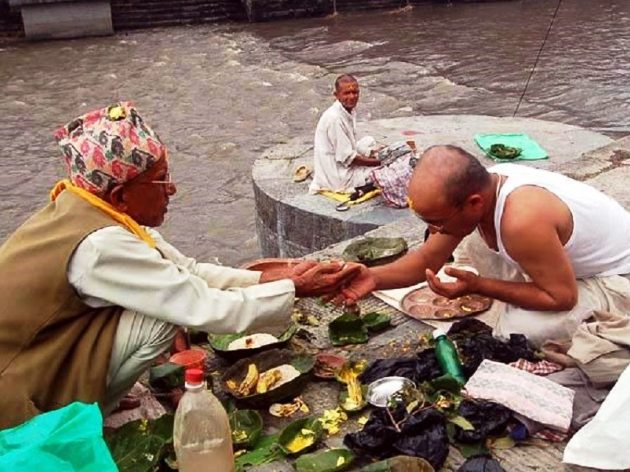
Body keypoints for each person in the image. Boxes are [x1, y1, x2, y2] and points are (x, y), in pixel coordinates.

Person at [0, 102, 358, 429]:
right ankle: (81, 410)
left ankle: (94, 392)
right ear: (120, 195)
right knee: (162, 315)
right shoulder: (100, 244)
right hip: (14, 391)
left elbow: (186, 269)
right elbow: (196, 303)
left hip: (46, 348)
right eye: (161, 180)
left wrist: (276, 278)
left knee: (157, 299)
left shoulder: (91, 208)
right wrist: (296, 289)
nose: (171, 189)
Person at [335, 145, 630, 347]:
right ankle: (525, 286)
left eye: (436, 221)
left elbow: (562, 298)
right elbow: (426, 258)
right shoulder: (482, 185)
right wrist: (373, 278)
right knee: (474, 245)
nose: (432, 231)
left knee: (519, 332)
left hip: (615, 277)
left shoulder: (522, 220)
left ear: (474, 203)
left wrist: (478, 286)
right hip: (558, 260)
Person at [309, 74, 416, 207]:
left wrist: (376, 153)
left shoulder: (347, 110)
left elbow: (349, 146)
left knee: (369, 141)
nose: (352, 97)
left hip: (338, 161)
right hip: (339, 178)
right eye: (347, 93)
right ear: (336, 95)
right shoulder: (335, 119)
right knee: (389, 169)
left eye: (355, 92)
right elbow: (350, 159)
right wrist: (382, 161)